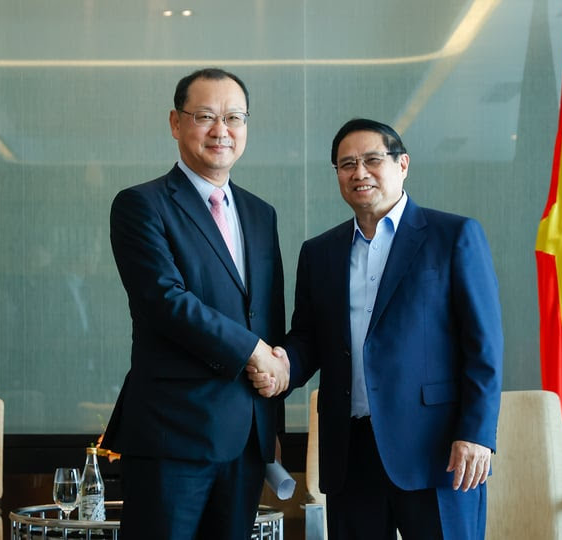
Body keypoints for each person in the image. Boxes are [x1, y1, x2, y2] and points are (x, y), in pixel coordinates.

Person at [251, 118, 503, 539]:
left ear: (402, 164)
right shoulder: (319, 253)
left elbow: (484, 347)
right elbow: (308, 339)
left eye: (372, 160)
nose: (359, 172)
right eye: (347, 164)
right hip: (350, 451)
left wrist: (476, 433)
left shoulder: (453, 236)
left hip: (435, 449)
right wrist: (281, 366)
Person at [102, 68, 289, 540]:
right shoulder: (141, 205)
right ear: (175, 122)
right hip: (173, 434)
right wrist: (254, 351)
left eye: (234, 117)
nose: (221, 130)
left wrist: (272, 415)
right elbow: (164, 301)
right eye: (205, 116)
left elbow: (266, 316)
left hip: (247, 437)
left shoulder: (260, 214)